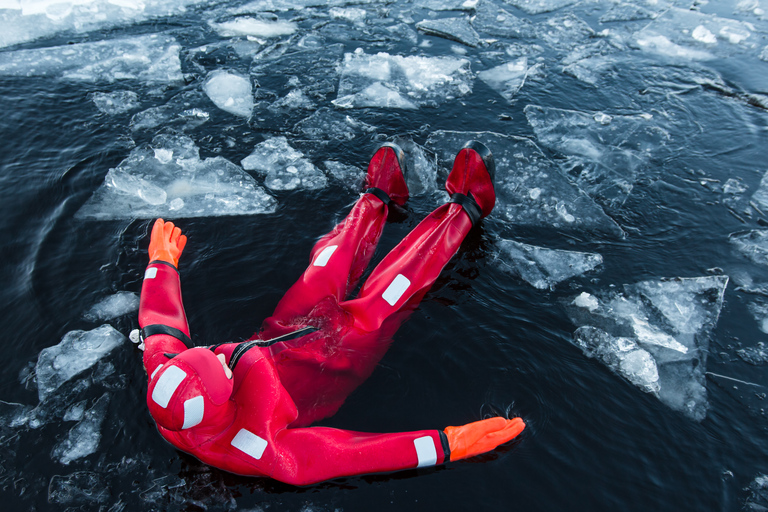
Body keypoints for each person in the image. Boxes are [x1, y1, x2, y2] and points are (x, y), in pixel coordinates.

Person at [138, 141, 525, 486]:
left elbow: (161, 327)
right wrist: (448, 444)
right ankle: (467, 206)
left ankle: (377, 196)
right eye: (221, 367)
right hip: (334, 362)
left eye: (208, 354)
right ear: (220, 402)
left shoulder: (169, 376)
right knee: (395, 288)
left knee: (324, 267)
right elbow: (354, 454)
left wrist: (162, 262)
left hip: (282, 332)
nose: (222, 356)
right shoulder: (261, 451)